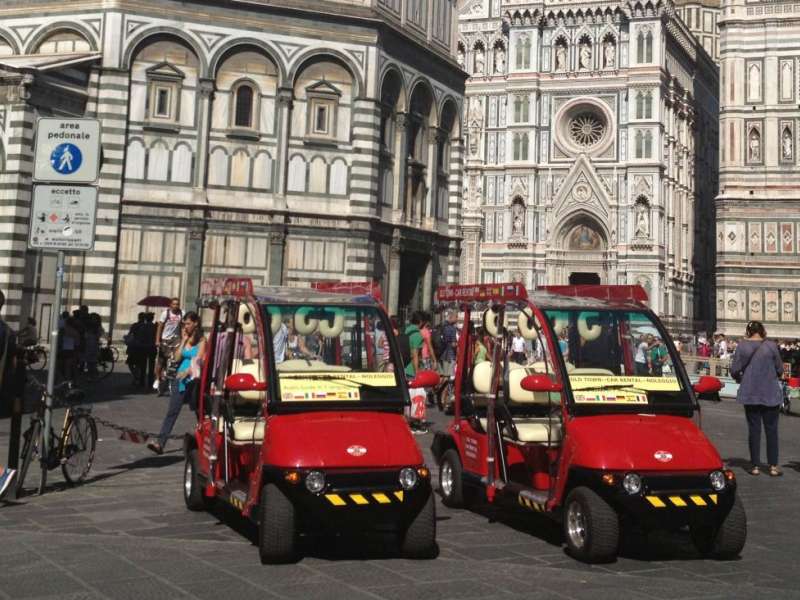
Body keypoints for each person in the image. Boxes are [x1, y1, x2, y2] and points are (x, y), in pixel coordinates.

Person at [730, 321, 784, 477]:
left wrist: (740, 378)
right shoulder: (771, 346)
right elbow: (780, 368)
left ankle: (755, 466)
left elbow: (734, 369)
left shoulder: (742, 346)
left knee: (754, 429)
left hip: (751, 393)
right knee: (771, 430)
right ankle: (773, 466)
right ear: (763, 331)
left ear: (748, 331)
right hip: (770, 393)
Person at [147, 312, 207, 455]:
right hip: (179, 380)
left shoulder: (202, 340)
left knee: (199, 412)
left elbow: (199, 360)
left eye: (188, 324)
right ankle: (160, 443)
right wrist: (184, 341)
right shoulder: (184, 337)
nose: (185, 326)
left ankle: (204, 442)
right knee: (172, 411)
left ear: (195, 323)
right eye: (184, 324)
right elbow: (177, 357)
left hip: (194, 381)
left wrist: (188, 372)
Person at [154, 298, 183, 394]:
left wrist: (183, 339)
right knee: (161, 362)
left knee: (174, 361)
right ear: (170, 305)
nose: (176, 306)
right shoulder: (165, 314)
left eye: (177, 304)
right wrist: (157, 340)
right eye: (174, 304)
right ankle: (158, 379)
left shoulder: (182, 313)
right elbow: (160, 327)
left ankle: (171, 382)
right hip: (165, 339)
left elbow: (183, 326)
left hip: (176, 340)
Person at [404, 312, 424, 378]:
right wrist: (416, 373)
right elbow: (415, 355)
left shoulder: (406, 330)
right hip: (411, 370)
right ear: (421, 322)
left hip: (402, 367)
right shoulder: (417, 335)